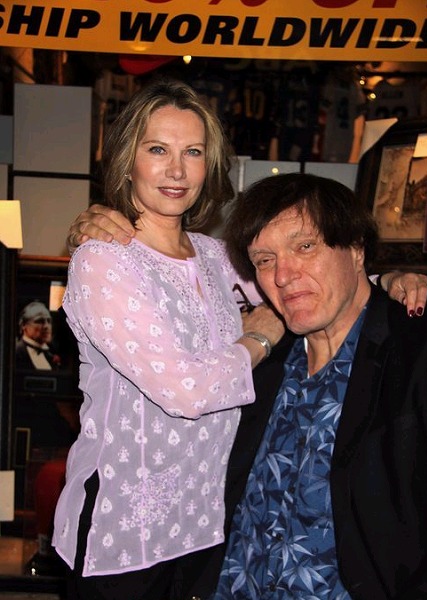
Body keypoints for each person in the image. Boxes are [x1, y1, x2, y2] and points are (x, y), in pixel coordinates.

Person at [52, 77, 286, 600]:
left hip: (202, 520)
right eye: (158, 149)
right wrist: (258, 339)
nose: (177, 170)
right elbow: (185, 390)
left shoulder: (215, 255)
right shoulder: (103, 260)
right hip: (123, 530)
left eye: (193, 152)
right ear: (127, 161)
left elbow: (300, 288)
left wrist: (387, 281)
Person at [209, 172, 427, 600]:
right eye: (265, 260)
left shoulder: (419, 348)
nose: (283, 275)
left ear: (356, 250)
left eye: (305, 247)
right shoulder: (261, 359)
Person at [16, 300, 61, 370]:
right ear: (23, 325)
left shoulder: (51, 355)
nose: (46, 326)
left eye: (49, 321)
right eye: (40, 321)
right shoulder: (15, 353)